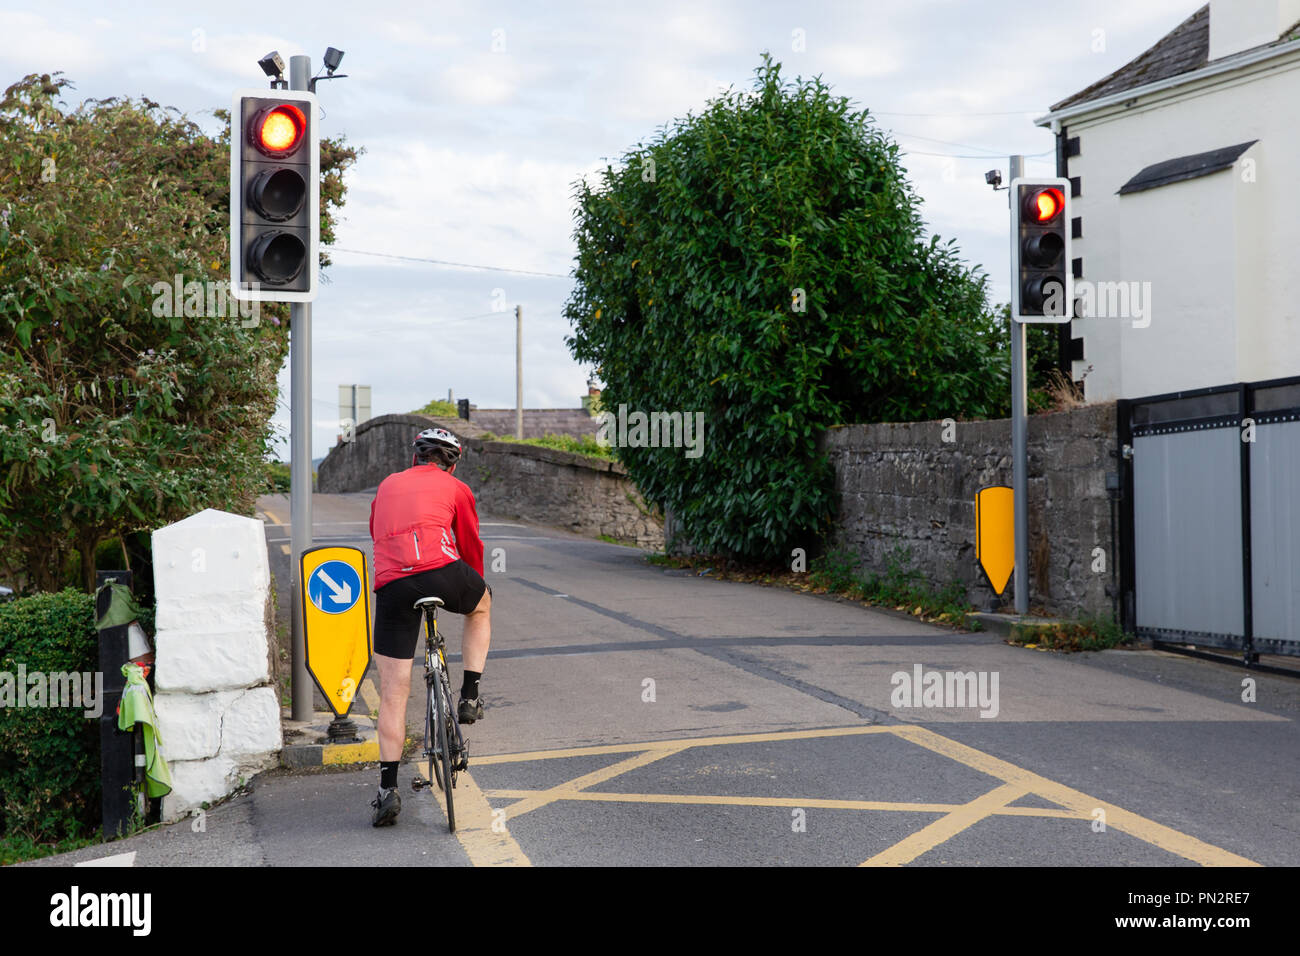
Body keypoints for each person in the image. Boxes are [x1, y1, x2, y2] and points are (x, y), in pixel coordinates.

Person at [367, 427, 492, 827]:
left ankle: (388, 789)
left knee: (393, 691)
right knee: (482, 607)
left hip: (392, 584)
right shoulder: (456, 488)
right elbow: (470, 544)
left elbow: (376, 531)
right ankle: (470, 695)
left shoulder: (387, 484)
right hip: (442, 572)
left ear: (415, 458)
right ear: (451, 464)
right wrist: (473, 584)